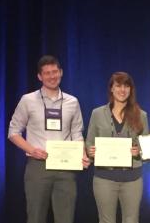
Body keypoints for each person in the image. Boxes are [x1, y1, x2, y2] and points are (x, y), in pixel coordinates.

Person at [8, 55, 90, 223]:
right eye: (47, 73)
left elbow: (77, 134)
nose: (52, 76)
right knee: (36, 217)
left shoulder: (72, 102)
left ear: (61, 72)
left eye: (55, 72)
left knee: (65, 218)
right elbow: (13, 132)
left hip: (66, 168)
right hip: (38, 166)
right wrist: (32, 150)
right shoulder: (28, 100)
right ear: (40, 76)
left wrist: (82, 155)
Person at [86, 72, 149, 223]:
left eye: (126, 86)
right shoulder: (97, 113)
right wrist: (91, 151)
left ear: (131, 89)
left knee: (131, 220)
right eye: (118, 86)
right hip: (104, 178)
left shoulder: (141, 115)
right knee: (106, 220)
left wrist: (138, 151)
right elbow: (89, 142)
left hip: (132, 179)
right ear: (111, 89)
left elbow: (146, 147)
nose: (122, 90)